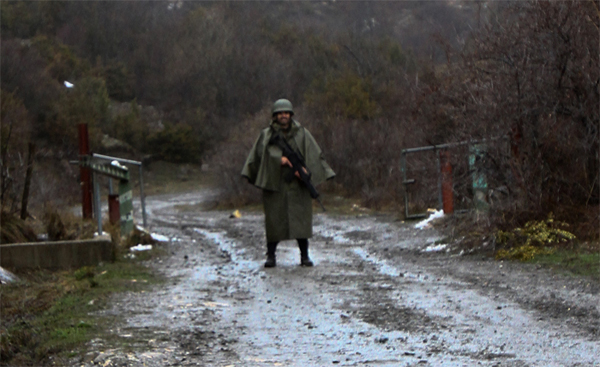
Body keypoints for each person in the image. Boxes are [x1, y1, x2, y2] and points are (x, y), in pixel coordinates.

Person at [242, 99, 335, 268]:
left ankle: (304, 256)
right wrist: (280, 159)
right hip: (274, 184)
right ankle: (271, 256)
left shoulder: (302, 133)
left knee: (301, 222)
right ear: (275, 116)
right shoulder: (267, 135)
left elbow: (314, 154)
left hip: (298, 186)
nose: (283, 116)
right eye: (280, 113)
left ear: (291, 115)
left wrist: (306, 172)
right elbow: (259, 156)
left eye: (286, 113)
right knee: (274, 221)